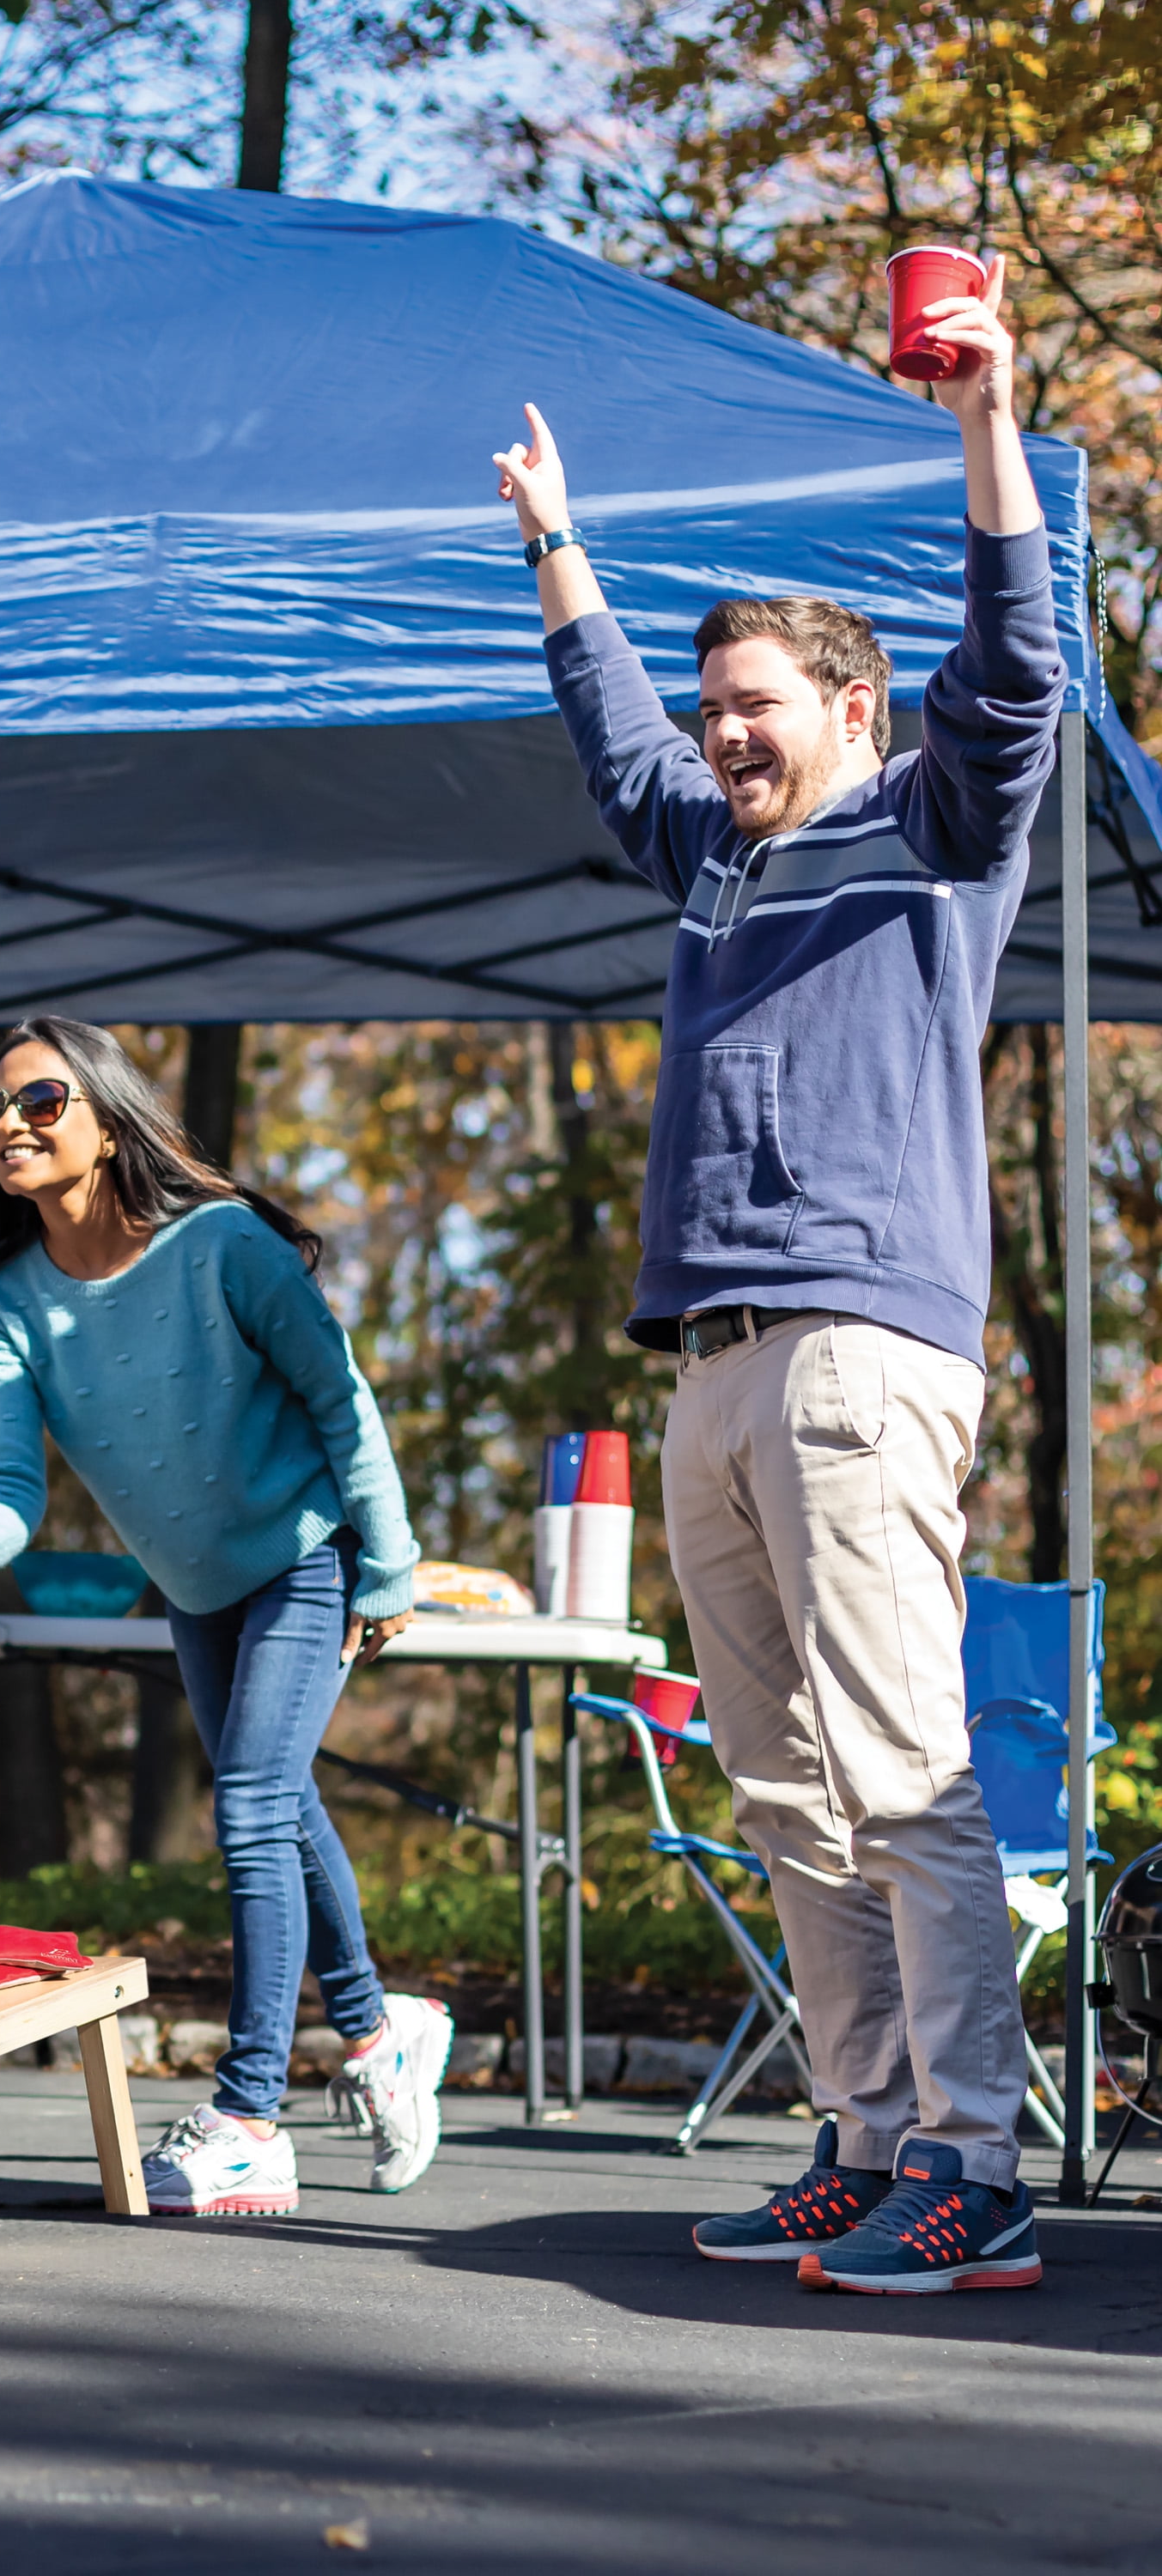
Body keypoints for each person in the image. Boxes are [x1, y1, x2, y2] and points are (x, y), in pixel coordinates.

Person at [491, 257, 1060, 2293]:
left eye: (758, 705)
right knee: (778, 1778)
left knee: (897, 1759)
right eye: (713, 700)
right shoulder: (715, 855)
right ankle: (867, 2124)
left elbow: (1018, 657)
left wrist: (981, 415)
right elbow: (612, 737)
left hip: (855, 1342)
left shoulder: (935, 823)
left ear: (850, 709)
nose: (721, 731)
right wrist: (560, 556)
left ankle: (977, 2161)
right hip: (711, 1364)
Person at [0, 1016, 449, 2215]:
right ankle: (378, 2029)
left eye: (40, 1100)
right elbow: (8, 1485)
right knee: (281, 1800)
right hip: (197, 1586)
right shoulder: (4, 1304)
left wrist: (391, 1566)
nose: (11, 1127)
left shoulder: (224, 1248)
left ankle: (251, 2112)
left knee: (250, 1802)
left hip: (306, 1555)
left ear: (104, 1113)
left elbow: (338, 1398)